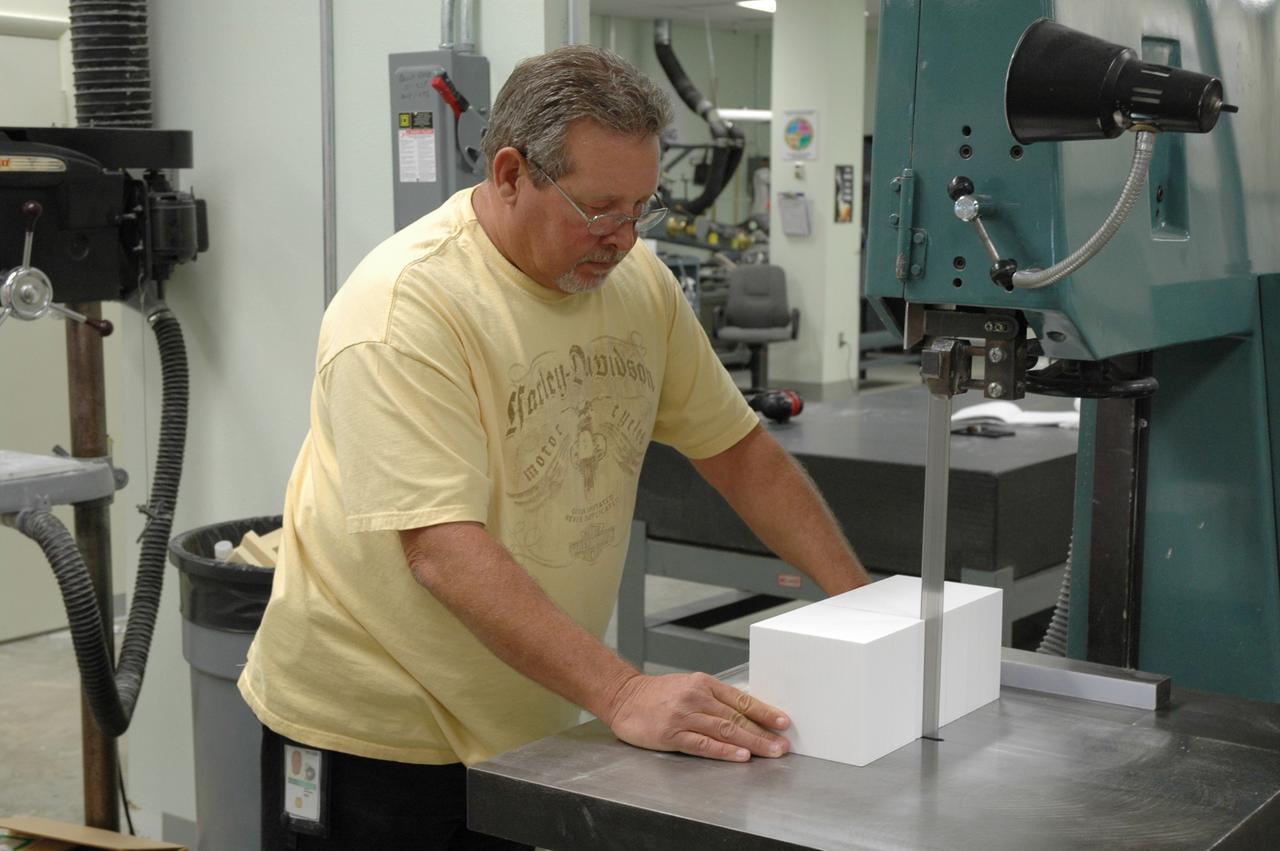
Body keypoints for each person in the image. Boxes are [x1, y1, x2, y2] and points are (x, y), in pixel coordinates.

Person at [239, 44, 870, 850]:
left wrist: (863, 604)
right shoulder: (404, 310)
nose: (623, 237)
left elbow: (738, 451)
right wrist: (624, 691)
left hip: (525, 723)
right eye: (600, 208)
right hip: (371, 737)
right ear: (509, 175)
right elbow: (442, 550)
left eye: (640, 208)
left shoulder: (638, 285)